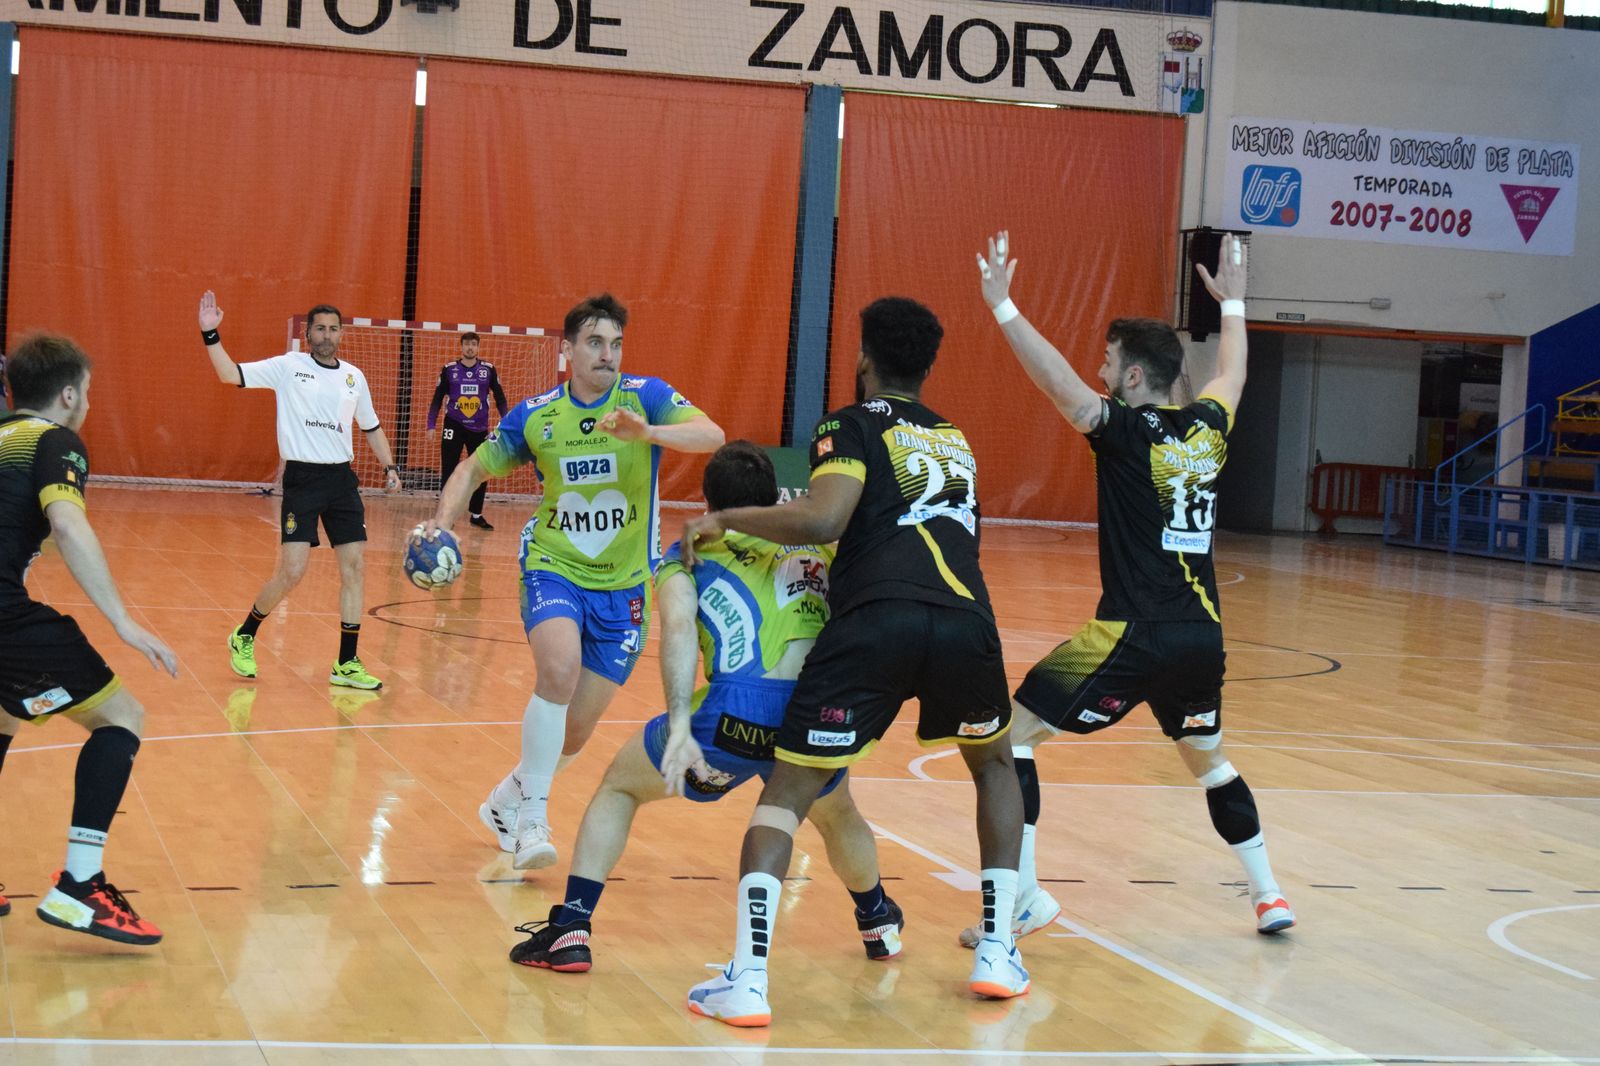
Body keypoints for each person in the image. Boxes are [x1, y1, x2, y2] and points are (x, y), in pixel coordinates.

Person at [677, 297, 1029, 1028]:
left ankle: (748, 978)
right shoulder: (956, 438)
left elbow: (825, 518)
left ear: (864, 358)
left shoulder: (849, 423)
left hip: (875, 619)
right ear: (929, 366)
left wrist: (725, 517)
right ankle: (997, 949)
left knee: (788, 789)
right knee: (994, 766)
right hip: (966, 616)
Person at [967, 230, 1294, 942]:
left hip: (1130, 632)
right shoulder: (1207, 429)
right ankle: (1269, 894)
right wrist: (1235, 303)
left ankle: (1022, 899)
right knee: (1209, 763)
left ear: (1135, 378)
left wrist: (1004, 309)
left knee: (1011, 741)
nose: (1099, 369)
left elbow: (1057, 384)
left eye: (1110, 361)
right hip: (1201, 638)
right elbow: (1231, 375)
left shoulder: (1124, 431)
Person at [509, 441, 903, 979]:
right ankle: (877, 918)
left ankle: (573, 926)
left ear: (711, 502)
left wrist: (678, 722)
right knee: (837, 814)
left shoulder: (690, 554)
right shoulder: (822, 549)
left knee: (620, 787)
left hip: (734, 712)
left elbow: (676, 630)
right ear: (775, 496)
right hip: (813, 711)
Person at [418, 293, 724, 870]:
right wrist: (441, 526)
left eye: (615, 344)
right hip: (554, 564)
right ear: (568, 350)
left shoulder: (647, 397)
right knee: (556, 671)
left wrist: (648, 435)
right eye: (594, 343)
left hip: (627, 585)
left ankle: (507, 800)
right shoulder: (536, 415)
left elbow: (712, 435)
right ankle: (532, 819)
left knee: (575, 733)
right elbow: (472, 468)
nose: (607, 354)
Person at [0, 334, 178, 944]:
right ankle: (80, 885)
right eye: (89, 394)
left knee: (3, 717)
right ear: (69, 394)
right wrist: (124, 623)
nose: (88, 406)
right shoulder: (55, 441)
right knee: (121, 716)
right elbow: (67, 524)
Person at [197, 292, 402, 690]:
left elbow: (371, 426)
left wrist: (390, 466)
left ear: (341, 334)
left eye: (333, 328)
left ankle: (346, 662)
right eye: (320, 328)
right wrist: (210, 333)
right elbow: (230, 374)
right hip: (303, 480)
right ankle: (244, 634)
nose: (326, 335)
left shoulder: (353, 377)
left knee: (355, 568)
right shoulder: (287, 367)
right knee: (292, 572)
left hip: (342, 481)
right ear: (307, 333)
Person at [427, 331, 508, 530]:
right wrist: (431, 425)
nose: (470, 347)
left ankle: (476, 514)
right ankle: (446, 515)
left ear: (478, 347)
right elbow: (437, 399)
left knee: (481, 470)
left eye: (474, 344)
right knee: (449, 470)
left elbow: (500, 397)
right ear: (461, 347)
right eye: (466, 344)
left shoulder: (488, 370)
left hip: (479, 428)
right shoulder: (449, 369)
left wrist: (506, 422)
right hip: (453, 425)